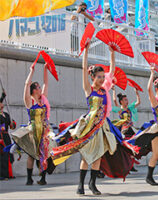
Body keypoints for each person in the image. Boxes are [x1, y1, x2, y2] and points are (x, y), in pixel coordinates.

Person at [51, 42, 139, 195]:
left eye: (102, 77)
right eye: (98, 77)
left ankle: (92, 184)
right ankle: (80, 185)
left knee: (98, 155)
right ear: (92, 77)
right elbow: (84, 69)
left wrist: (112, 53)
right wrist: (85, 51)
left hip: (102, 127)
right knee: (86, 156)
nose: (101, 79)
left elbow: (111, 72)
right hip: (89, 126)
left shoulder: (105, 90)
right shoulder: (89, 89)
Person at [11, 63, 56, 185]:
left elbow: (46, 83)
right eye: (38, 87)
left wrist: (45, 70)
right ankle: (29, 178)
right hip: (34, 130)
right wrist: (31, 71)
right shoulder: (29, 102)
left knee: (45, 153)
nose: (40, 88)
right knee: (31, 154)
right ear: (34, 90)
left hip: (45, 130)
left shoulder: (43, 100)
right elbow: (26, 85)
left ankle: (43, 178)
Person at [112, 86, 141, 172]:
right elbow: (114, 100)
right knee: (125, 148)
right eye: (125, 100)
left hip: (131, 129)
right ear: (121, 102)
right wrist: (113, 90)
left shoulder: (129, 108)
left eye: (127, 99)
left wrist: (136, 92)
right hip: (124, 130)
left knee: (133, 146)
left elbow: (138, 102)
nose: (127, 101)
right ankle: (126, 165)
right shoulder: (120, 110)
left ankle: (131, 165)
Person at [0, 91, 16, 180]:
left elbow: (12, 126)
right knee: (2, 156)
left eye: (2, 104)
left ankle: (9, 174)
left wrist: (12, 124)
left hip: (6, 136)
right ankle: (2, 174)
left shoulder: (6, 114)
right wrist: (2, 97)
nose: (1, 105)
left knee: (9, 154)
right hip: (0, 136)